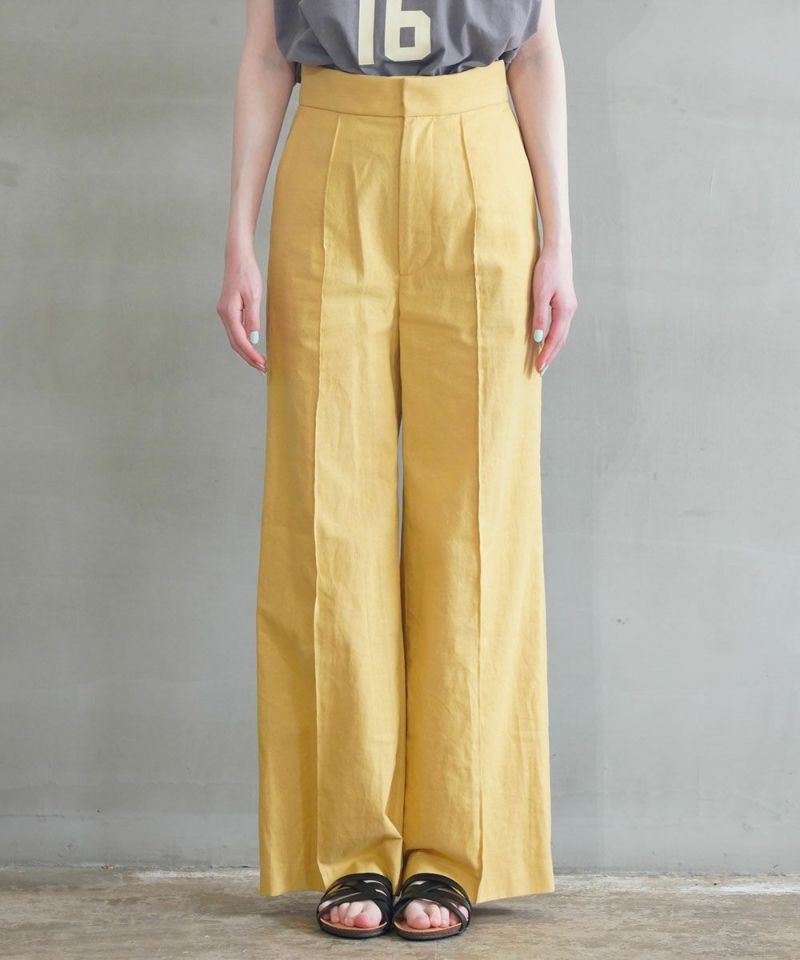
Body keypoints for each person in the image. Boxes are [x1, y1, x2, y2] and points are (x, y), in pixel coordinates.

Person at [216, 0, 577, 942]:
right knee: (328, 519)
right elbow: (267, 54)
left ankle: (456, 848)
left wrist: (560, 240)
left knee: (476, 524)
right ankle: (352, 848)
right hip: (332, 158)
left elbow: (536, 51)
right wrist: (238, 236)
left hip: (479, 162)